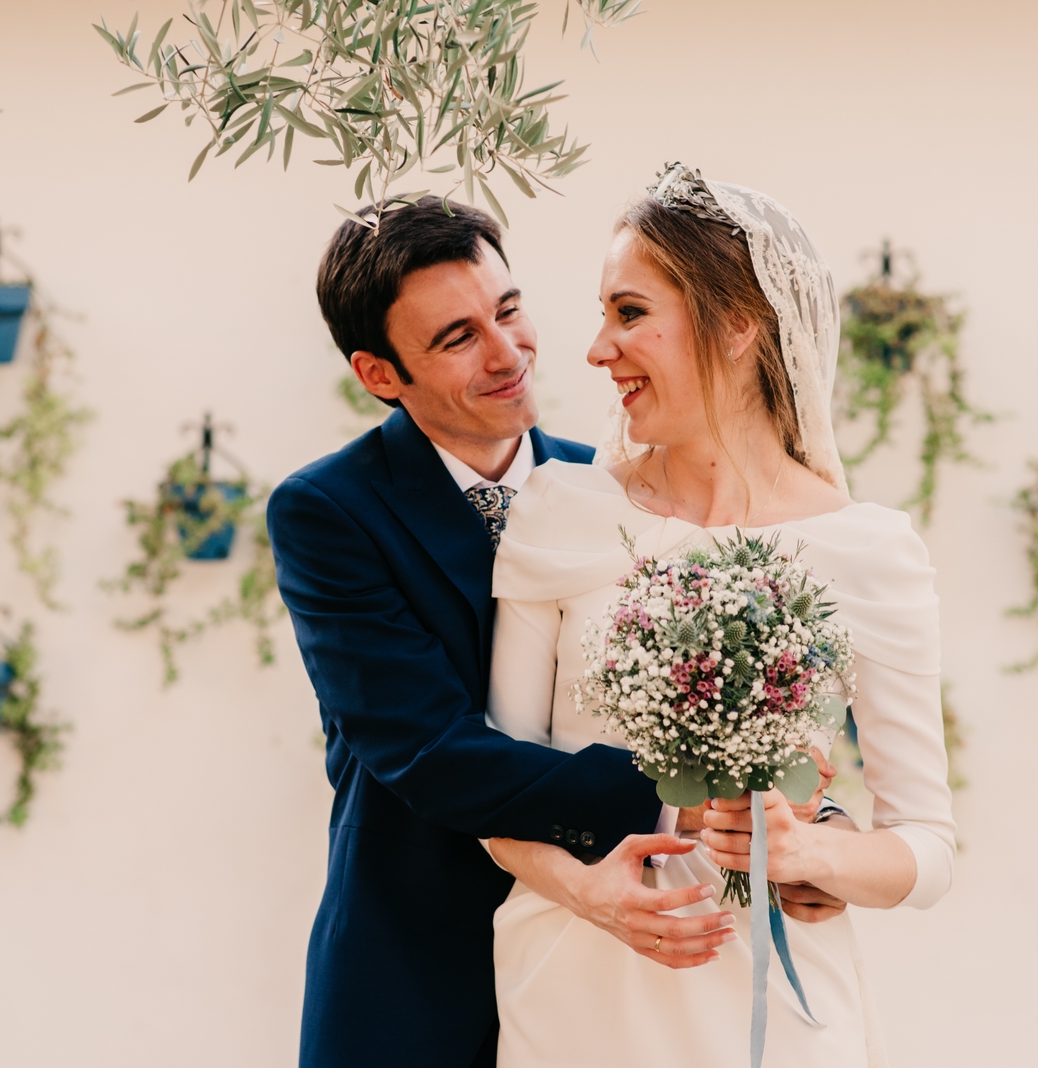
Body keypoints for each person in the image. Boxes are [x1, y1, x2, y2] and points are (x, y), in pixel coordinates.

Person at [270, 198, 848, 1068]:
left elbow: (704, 689)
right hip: (419, 971)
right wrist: (682, 798)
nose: (508, 353)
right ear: (379, 373)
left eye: (508, 310)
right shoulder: (329, 512)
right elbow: (427, 749)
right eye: (458, 338)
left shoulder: (616, 489)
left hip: (610, 980)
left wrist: (801, 824)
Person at [481, 164, 957, 1066]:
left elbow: (926, 846)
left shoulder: (868, 550)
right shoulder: (559, 510)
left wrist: (810, 854)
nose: (597, 349)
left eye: (630, 313)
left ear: (738, 324)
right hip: (579, 993)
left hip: (771, 1006)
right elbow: (497, 788)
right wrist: (594, 895)